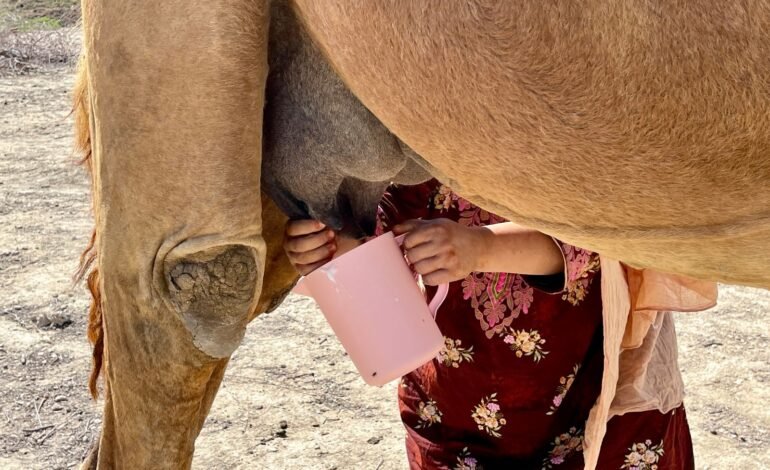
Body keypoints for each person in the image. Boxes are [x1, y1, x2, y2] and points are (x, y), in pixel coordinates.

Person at [284, 179, 699, 469]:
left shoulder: (564, 101)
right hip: (453, 415)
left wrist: (481, 247)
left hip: (586, 406)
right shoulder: (421, 115)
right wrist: (335, 247)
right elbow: (382, 227)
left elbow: (601, 239)